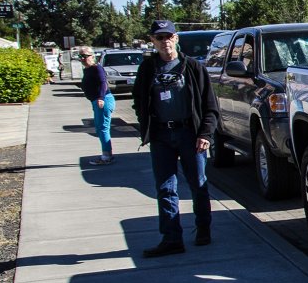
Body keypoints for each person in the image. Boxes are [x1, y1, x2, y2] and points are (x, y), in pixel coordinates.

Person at [132, 20, 221, 257]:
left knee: (198, 185)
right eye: (159, 38)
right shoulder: (147, 69)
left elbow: (210, 106)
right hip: (161, 135)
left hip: (190, 135)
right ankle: (172, 238)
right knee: (165, 188)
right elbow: (139, 100)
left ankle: (203, 229)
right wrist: (146, 124)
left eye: (169, 36)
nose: (165, 42)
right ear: (152, 41)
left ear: (176, 38)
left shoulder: (193, 67)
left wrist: (205, 134)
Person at [77, 49, 115, 164]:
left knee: (103, 128)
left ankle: (106, 156)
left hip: (103, 100)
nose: (83, 58)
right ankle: (107, 153)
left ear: (92, 56)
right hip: (95, 101)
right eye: (80, 56)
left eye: (85, 56)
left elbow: (103, 83)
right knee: (99, 128)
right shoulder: (87, 70)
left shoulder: (96, 68)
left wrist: (101, 98)